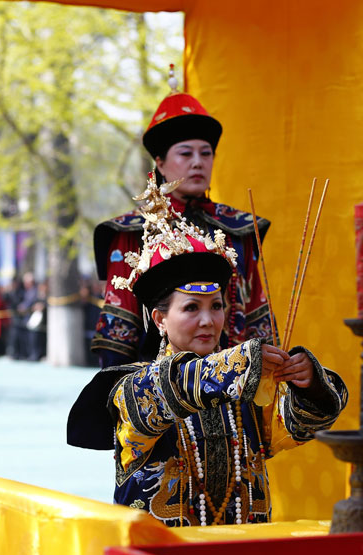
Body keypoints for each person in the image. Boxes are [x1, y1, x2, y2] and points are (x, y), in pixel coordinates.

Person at [69, 175, 347, 526]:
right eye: (190, 308)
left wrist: (308, 383)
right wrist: (244, 362)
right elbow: (177, 384)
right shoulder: (133, 389)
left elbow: (302, 425)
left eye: (216, 307)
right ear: (160, 319)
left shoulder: (244, 387)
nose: (208, 321)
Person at [91, 65, 274, 367]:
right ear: (160, 163)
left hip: (235, 390)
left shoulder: (240, 230)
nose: (198, 163)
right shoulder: (131, 232)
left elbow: (258, 320)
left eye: (206, 153)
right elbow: (118, 335)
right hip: (158, 393)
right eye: (186, 154)